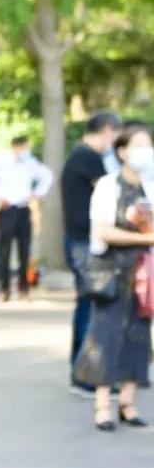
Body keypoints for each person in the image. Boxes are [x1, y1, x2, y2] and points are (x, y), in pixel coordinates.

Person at [74, 123, 154, 431]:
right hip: (111, 271)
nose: (145, 152)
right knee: (105, 335)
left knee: (138, 335)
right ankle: (102, 405)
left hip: (143, 274)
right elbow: (103, 231)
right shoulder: (109, 186)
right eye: (139, 145)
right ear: (122, 151)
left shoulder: (149, 186)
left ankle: (128, 403)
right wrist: (145, 239)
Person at [61, 111, 122, 394]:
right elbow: (114, 195)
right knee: (91, 306)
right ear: (107, 130)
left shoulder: (78, 157)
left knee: (87, 304)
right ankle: (85, 376)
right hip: (84, 243)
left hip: (78, 241)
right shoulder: (88, 159)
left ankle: (82, 372)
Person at [0, 135, 54, 300]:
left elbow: (47, 176)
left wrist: (36, 194)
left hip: (23, 208)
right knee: (4, 251)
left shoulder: (30, 164)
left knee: (24, 251)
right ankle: (4, 289)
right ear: (16, 147)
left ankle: (24, 288)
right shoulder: (1, 162)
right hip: (6, 209)